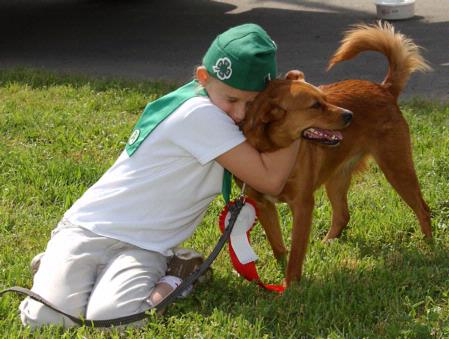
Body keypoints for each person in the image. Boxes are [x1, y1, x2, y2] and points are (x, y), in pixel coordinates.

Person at [19, 23, 300, 329]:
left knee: (115, 321)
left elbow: (267, 176)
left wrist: (288, 106)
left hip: (146, 247)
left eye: (252, 103)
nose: (240, 114)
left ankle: (177, 273)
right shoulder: (200, 114)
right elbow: (271, 180)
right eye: (232, 100)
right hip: (89, 229)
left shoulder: (204, 104)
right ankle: (62, 267)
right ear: (203, 77)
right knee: (44, 321)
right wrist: (297, 115)